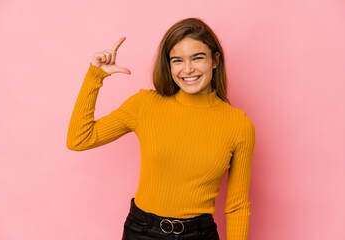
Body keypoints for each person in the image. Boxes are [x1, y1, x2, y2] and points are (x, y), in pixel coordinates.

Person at [67, 17, 255, 240]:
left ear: (214, 60)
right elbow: (78, 139)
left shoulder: (239, 125)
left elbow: (237, 206)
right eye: (177, 60)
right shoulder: (145, 105)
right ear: (169, 64)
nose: (187, 69)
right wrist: (95, 75)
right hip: (142, 231)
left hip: (199, 235)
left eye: (197, 58)